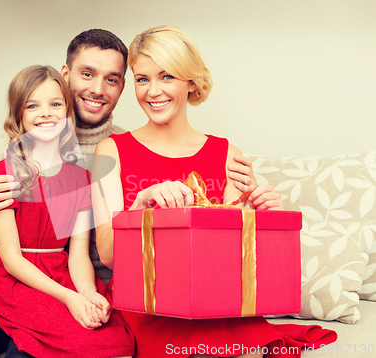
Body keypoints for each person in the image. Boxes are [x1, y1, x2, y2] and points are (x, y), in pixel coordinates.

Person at [0, 29, 257, 357]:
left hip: (80, 284)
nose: (97, 89)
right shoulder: (16, 150)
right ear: (66, 76)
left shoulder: (118, 150)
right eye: (87, 74)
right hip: (16, 284)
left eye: (112, 79)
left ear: (122, 85)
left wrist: (251, 207)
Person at [92, 25, 337, 358]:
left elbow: (232, 262)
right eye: (142, 79)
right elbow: (107, 254)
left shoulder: (227, 154)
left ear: (191, 81)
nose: (152, 91)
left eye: (167, 77)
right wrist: (139, 205)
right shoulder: (110, 151)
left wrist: (262, 218)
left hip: (212, 302)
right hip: (147, 304)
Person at [0, 64, 135, 357]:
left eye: (55, 104)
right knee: (65, 335)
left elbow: (78, 254)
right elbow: (12, 259)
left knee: (110, 336)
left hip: (59, 274)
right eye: (33, 105)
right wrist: (70, 299)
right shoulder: (3, 173)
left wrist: (87, 294)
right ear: (19, 115)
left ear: (68, 113)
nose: (46, 113)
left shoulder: (79, 178)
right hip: (14, 280)